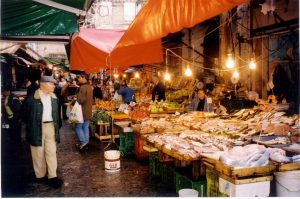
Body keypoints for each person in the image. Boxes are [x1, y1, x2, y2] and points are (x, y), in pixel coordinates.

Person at [24, 76, 63, 188]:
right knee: (38, 152)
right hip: (37, 127)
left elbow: (57, 115)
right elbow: (24, 114)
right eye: (52, 84)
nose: (54, 86)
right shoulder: (32, 98)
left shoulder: (55, 98)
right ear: (44, 85)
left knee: (51, 151)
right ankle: (40, 175)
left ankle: (53, 176)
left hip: (51, 126)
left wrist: (57, 125)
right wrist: (32, 126)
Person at [75, 73, 93, 152]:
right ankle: (86, 142)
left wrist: (77, 97)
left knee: (78, 127)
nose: (78, 79)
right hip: (88, 110)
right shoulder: (89, 87)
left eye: (79, 77)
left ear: (83, 77)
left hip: (82, 111)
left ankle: (83, 142)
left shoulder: (82, 87)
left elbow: (81, 100)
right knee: (85, 126)